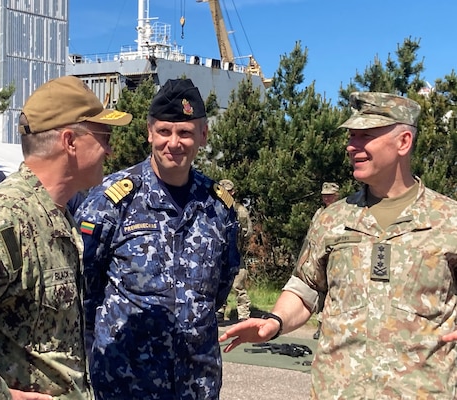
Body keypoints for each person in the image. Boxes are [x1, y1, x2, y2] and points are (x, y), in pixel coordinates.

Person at [219, 92, 457, 399]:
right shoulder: (333, 219)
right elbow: (306, 288)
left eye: (365, 136)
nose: (351, 146)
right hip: (339, 390)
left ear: (403, 142)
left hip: (424, 390)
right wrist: (274, 322)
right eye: (351, 136)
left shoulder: (448, 219)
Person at [0, 75, 132, 399]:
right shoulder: (7, 215)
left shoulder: (54, 214)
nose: (109, 148)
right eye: (103, 135)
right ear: (70, 141)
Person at [75, 78, 240, 400]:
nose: (174, 143)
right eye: (164, 131)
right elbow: (84, 288)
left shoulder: (218, 206)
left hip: (196, 382)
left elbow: (221, 286)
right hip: (125, 380)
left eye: (185, 133)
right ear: (150, 132)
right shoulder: (112, 201)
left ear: (203, 135)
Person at [216, 178, 253, 322]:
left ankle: (243, 314)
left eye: (229, 191)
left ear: (233, 192)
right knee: (217, 283)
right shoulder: (213, 209)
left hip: (234, 253)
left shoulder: (240, 211)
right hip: (217, 254)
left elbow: (247, 232)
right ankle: (219, 310)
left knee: (239, 284)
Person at [311, 181, 340, 340]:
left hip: (337, 258)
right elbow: (313, 233)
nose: (327, 198)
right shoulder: (319, 213)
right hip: (321, 258)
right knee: (321, 294)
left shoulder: (343, 212)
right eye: (325, 195)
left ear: (337, 195)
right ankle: (320, 326)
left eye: (330, 195)